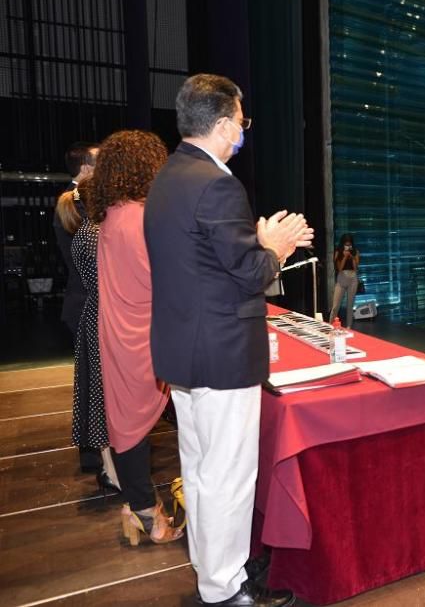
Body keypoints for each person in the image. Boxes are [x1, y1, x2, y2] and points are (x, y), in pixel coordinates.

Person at [144, 74, 311, 607]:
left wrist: (254, 244)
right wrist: (275, 247)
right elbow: (248, 275)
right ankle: (225, 588)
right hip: (221, 353)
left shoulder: (169, 175)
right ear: (221, 126)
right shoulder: (217, 184)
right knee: (229, 475)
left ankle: (212, 568)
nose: (244, 132)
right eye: (242, 122)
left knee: (199, 468)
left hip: (185, 352)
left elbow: (203, 264)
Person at [90, 130, 183, 546]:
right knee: (137, 426)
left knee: (127, 423)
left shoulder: (110, 214)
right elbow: (164, 280)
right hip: (144, 331)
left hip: (118, 328)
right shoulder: (142, 217)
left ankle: (138, 506)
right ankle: (147, 512)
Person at [57, 176, 118, 491]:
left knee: (102, 394)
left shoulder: (88, 232)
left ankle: (111, 469)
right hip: (104, 317)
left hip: (99, 316)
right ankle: (110, 470)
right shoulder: (95, 234)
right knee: (104, 396)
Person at [54, 143, 102, 474]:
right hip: (87, 303)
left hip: (83, 301)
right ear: (85, 169)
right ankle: (95, 453)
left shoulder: (78, 204)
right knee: (93, 383)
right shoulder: (77, 206)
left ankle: (97, 450)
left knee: (92, 381)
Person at [330, 233, 360, 328]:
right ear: (342, 244)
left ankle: (349, 327)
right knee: (335, 305)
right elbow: (339, 268)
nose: (348, 246)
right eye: (346, 244)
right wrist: (344, 257)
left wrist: (352, 257)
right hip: (342, 277)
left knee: (350, 305)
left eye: (349, 244)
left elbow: (356, 268)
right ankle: (330, 325)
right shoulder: (338, 252)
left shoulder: (355, 252)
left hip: (353, 277)